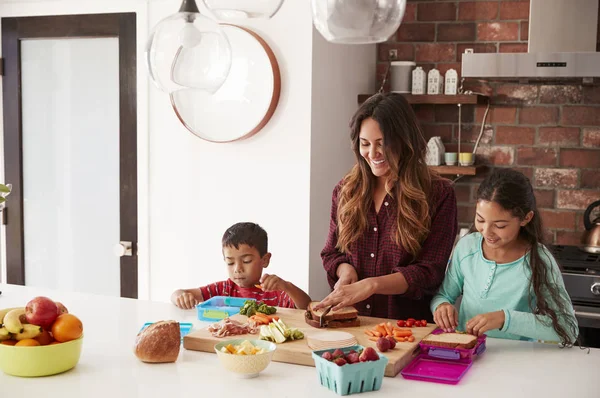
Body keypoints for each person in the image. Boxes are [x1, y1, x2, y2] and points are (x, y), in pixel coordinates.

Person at [316, 92, 458, 321]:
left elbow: (429, 272)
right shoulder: (345, 191)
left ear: (404, 140)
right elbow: (331, 253)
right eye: (365, 144)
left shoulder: (438, 195)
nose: (372, 154)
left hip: (407, 328)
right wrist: (345, 271)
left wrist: (372, 285)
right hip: (352, 323)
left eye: (382, 144)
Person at [431, 169, 578, 345]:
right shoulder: (467, 247)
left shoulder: (539, 260)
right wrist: (441, 307)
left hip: (516, 359)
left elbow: (568, 329)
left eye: (499, 225)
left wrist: (505, 319)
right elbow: (443, 295)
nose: (486, 232)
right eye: (480, 219)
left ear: (526, 218)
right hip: (467, 354)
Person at [171, 222, 312, 310]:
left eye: (246, 261)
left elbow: (306, 306)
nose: (237, 269)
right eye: (230, 262)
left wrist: (287, 286)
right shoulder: (223, 289)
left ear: (265, 260)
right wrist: (181, 296)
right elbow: (178, 293)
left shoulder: (274, 291)